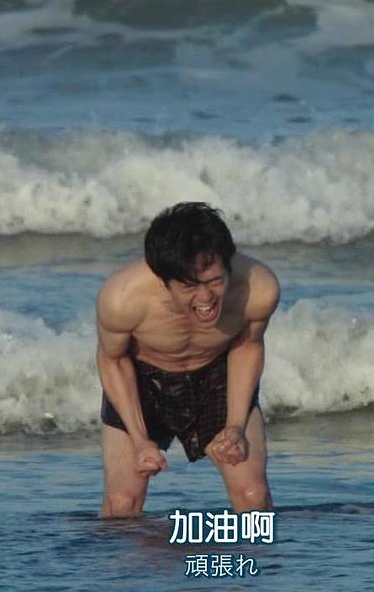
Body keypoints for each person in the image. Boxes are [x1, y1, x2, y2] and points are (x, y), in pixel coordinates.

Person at [96, 202, 280, 518]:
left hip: (218, 375)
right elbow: (113, 361)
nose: (206, 298)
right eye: (190, 286)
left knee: (253, 495)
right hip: (142, 381)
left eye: (215, 281)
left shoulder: (258, 289)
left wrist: (236, 426)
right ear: (163, 279)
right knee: (122, 503)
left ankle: (260, 552)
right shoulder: (122, 299)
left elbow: (247, 346)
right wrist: (140, 440)